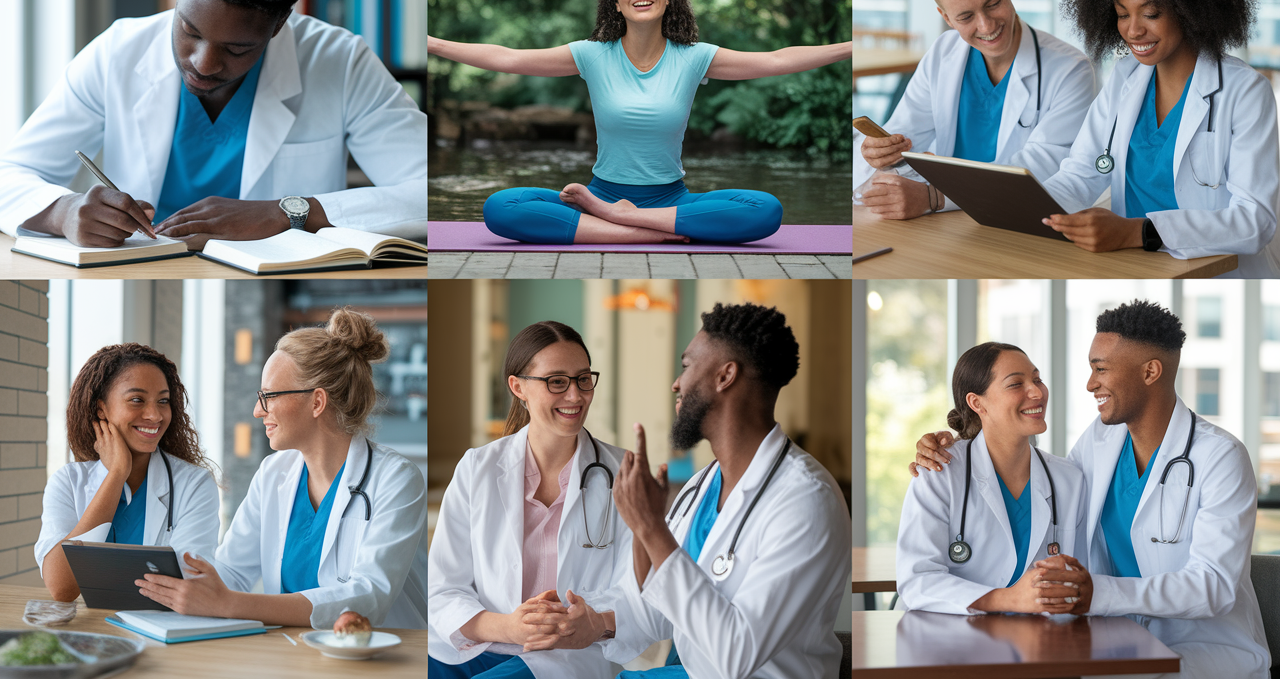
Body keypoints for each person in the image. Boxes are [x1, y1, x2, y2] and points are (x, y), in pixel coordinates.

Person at [0, 0, 427, 248]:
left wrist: (287, 212)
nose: (203, 63)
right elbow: (9, 176)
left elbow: (430, 194)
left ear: (278, 27)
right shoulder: (118, 52)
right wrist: (64, 211)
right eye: (189, 30)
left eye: (237, 48)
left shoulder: (341, 62)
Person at [910, 301, 1269, 678]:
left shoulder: (1221, 457)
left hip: (1202, 647)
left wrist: (1098, 593)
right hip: (1111, 637)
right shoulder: (1098, 442)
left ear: (1150, 371)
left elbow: (1215, 586)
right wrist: (958, 444)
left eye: (1101, 369)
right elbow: (1048, 490)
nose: (1090, 383)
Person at [428, 0, 851, 245]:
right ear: (617, 1)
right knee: (501, 207)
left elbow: (776, 60)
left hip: (671, 201)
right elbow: (508, 57)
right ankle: (629, 227)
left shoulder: (694, 58)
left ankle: (626, 221)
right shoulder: (592, 55)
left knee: (765, 209)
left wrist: (851, 46)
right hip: (602, 196)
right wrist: (431, 43)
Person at [525, 303, 851, 678]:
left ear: (725, 375)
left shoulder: (806, 501)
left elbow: (737, 654)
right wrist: (593, 622)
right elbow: (658, 609)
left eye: (686, 365)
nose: (676, 384)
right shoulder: (701, 486)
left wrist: (651, 527)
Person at [134, 307, 427, 630]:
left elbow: (368, 597)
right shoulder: (273, 474)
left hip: (383, 655)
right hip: (291, 652)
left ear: (317, 402)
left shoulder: (397, 479)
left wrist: (229, 604)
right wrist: (183, 582)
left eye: (269, 396)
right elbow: (232, 573)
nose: (258, 411)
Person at [1039, 0, 1279, 277]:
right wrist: (1029, 206)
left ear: (1189, 9)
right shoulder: (1124, 79)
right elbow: (1081, 173)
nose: (1133, 30)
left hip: (1214, 273)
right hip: (1133, 269)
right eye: (1123, 14)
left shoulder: (1244, 92)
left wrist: (1138, 232)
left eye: (1150, 14)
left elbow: (1255, 220)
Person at [427, 321, 639, 679]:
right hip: (469, 648)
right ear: (518, 387)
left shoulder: (625, 473)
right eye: (557, 381)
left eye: (583, 379)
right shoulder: (478, 467)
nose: (575, 395)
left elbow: (637, 593)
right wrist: (509, 628)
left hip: (566, 657)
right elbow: (443, 587)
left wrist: (592, 622)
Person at [854, 0, 1094, 219]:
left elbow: (1041, 169)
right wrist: (879, 154)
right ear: (946, 17)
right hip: (948, 226)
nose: (987, 25)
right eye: (966, 17)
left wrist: (935, 196)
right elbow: (904, 139)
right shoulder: (942, 54)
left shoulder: (1070, 69)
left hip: (1020, 222)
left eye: (993, 3)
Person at [897, 342, 1089, 614]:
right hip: (946, 640)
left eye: (1037, 379)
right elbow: (917, 579)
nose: (1036, 391)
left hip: (1037, 641)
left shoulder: (1069, 479)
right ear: (977, 403)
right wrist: (1009, 599)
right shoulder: (940, 472)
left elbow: (1080, 577)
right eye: (1015, 384)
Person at [35, 344, 220, 602]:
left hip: (161, 633)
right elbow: (61, 587)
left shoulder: (194, 484)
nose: (155, 415)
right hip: (88, 635)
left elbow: (185, 587)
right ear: (101, 409)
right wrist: (116, 475)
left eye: (163, 401)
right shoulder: (68, 482)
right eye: (137, 400)